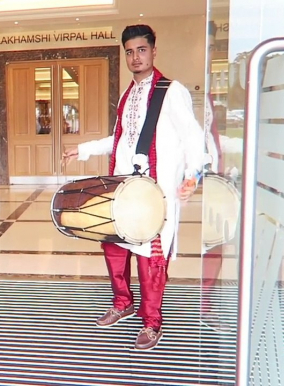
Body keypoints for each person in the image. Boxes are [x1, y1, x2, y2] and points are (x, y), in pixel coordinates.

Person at [63, 24, 204, 351]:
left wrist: (193, 174)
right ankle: (123, 302)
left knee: (150, 259)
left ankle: (153, 322)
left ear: (154, 51)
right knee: (113, 247)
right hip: (124, 189)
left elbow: (193, 137)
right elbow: (121, 140)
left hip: (156, 192)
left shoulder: (171, 90)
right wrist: (84, 149)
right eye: (129, 51)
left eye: (141, 49)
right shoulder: (127, 95)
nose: (135, 57)